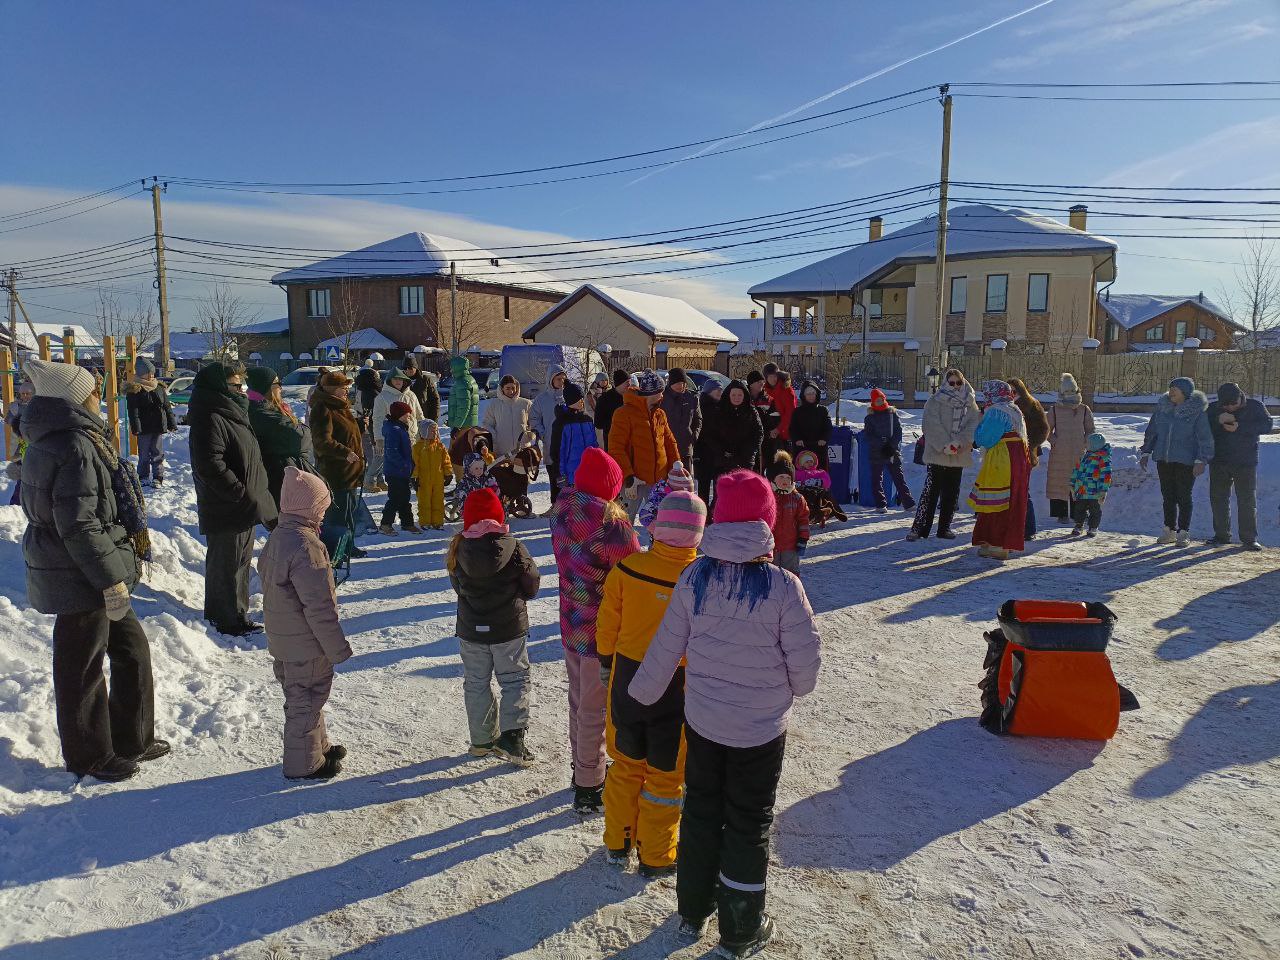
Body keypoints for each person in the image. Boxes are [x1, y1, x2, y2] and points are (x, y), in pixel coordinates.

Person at [629, 468, 820, 957]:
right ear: (766, 523)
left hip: (706, 724)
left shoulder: (696, 576)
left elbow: (666, 645)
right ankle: (739, 928)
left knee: (700, 811)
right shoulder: (783, 586)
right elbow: (805, 667)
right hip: (759, 733)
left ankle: (692, 908)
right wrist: (793, 690)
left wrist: (640, 695)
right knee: (748, 822)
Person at [19, 358, 168, 783]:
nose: (97, 396)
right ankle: (89, 755)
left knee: (131, 650)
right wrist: (108, 579)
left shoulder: (69, 436)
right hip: (80, 571)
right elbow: (79, 522)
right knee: (81, 665)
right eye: (91, 390)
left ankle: (131, 738)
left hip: (88, 565)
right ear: (75, 397)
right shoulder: (72, 444)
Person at [596, 490, 706, 878]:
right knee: (665, 775)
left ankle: (617, 841)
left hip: (628, 678)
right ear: (699, 535)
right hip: (679, 686)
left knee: (625, 764)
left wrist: (607, 663)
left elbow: (607, 624)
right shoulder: (703, 578)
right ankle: (657, 854)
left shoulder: (628, 569)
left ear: (656, 526)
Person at [549, 447, 640, 815]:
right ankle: (590, 783)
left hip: (571, 620)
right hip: (602, 629)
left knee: (579, 700)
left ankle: (582, 765)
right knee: (595, 709)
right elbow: (633, 573)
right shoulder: (612, 525)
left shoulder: (561, 509)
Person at [257, 466, 351, 780]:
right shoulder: (307, 547)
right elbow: (319, 607)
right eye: (321, 509)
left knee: (305, 699)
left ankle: (318, 748)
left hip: (284, 641)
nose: (323, 516)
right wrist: (337, 648)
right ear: (308, 509)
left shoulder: (278, 538)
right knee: (306, 701)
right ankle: (304, 765)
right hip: (307, 644)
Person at [448, 487, 541, 765]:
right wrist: (516, 599)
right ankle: (512, 740)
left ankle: (482, 740)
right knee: (514, 680)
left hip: (471, 629)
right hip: (508, 629)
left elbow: (458, 587)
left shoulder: (458, 547)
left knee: (476, 683)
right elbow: (532, 584)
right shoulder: (513, 546)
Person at [188, 361, 278, 636]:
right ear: (219, 386)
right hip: (226, 504)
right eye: (236, 385)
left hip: (244, 502)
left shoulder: (231, 411)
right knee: (225, 565)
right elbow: (210, 464)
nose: (242, 390)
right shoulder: (211, 415)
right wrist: (238, 491)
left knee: (240, 563)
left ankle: (237, 613)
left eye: (243, 385)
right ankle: (223, 618)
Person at [1140, 376, 1213, 546]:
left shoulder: (1197, 412)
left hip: (1186, 460)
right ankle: (1169, 530)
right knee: (1168, 496)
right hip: (1164, 459)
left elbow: (1205, 438)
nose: (1171, 391)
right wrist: (1145, 453)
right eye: (1170, 388)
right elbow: (1152, 432)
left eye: (1176, 389)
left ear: (1185, 392)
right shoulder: (1162, 409)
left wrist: (1201, 460)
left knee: (1184, 496)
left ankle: (1183, 532)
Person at [909, 367, 980, 542]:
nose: (955, 386)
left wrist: (959, 443)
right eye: (952, 382)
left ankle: (944, 527)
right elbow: (930, 425)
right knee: (930, 491)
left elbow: (973, 425)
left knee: (952, 492)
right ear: (945, 383)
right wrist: (944, 445)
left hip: (958, 454)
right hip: (937, 453)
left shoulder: (970, 402)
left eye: (958, 382)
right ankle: (919, 528)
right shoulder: (935, 401)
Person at [968, 380, 1030, 561]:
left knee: (996, 500)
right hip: (1017, 457)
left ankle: (996, 544)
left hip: (1002, 458)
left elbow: (986, 438)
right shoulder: (1013, 408)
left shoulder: (996, 411)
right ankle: (997, 542)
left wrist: (975, 437)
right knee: (1010, 499)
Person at [1206, 382, 1272, 550]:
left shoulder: (1255, 406)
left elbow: (1267, 425)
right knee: (1218, 499)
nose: (1229, 408)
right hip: (1219, 460)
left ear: (1240, 397)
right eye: (1225, 405)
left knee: (1246, 500)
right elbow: (1202, 428)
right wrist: (1217, 420)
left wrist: (1239, 426)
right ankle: (1221, 535)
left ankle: (1249, 538)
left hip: (1245, 461)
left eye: (1232, 404)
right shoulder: (1214, 408)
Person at [310, 370, 368, 560]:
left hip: (349, 472)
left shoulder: (340, 406)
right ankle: (335, 551)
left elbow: (345, 433)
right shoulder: (323, 408)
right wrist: (345, 452)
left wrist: (359, 425)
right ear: (333, 390)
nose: (347, 391)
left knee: (348, 513)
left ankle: (347, 545)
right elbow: (322, 442)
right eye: (344, 388)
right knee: (337, 516)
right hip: (336, 473)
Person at [609, 369, 681, 521]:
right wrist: (629, 478)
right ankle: (623, 545)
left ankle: (656, 545)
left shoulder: (660, 414)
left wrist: (676, 464)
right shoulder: (623, 414)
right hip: (634, 482)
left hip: (658, 481)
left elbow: (669, 442)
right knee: (623, 523)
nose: (662, 395)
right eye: (660, 391)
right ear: (652, 393)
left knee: (659, 523)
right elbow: (616, 448)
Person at [246, 366, 306, 509]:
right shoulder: (262, 414)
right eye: (277, 383)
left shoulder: (271, 409)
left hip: (283, 478)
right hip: (278, 480)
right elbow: (300, 439)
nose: (281, 388)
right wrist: (302, 429)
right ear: (265, 387)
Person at [1045, 373, 1094, 524]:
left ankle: (1077, 514)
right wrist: (1055, 441)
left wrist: (1085, 443)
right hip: (1059, 454)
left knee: (1078, 484)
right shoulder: (1054, 410)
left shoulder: (1084, 409)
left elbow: (1090, 430)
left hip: (1079, 454)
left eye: (1072, 391)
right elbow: (1046, 430)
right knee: (1058, 483)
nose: (1069, 395)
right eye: (1067, 392)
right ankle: (1061, 514)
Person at [125, 357, 176, 488]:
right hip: (144, 427)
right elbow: (133, 411)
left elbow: (167, 407)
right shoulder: (135, 389)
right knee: (144, 453)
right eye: (149, 373)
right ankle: (143, 476)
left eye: (153, 372)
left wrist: (171, 423)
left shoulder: (158, 387)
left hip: (158, 425)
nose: (152, 375)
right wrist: (136, 426)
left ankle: (158, 477)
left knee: (157, 452)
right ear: (142, 373)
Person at [1008, 378, 1049, 540]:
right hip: (1007, 454)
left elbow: (1043, 429)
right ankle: (1015, 525)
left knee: (1023, 491)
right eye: (1008, 390)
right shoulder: (1005, 405)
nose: (1011, 393)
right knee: (1011, 490)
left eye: (1014, 390)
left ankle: (1029, 528)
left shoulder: (1032, 403)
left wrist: (1027, 444)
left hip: (1025, 454)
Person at [862, 388, 915, 514]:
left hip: (892, 452)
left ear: (884, 399)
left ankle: (908, 503)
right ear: (873, 402)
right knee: (876, 479)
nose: (879, 402)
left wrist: (891, 446)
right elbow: (869, 435)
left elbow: (898, 431)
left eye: (881, 399)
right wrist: (882, 444)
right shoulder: (870, 417)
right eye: (877, 400)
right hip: (876, 452)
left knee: (899, 478)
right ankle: (880, 504)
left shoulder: (892, 414)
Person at [379, 400, 420, 535]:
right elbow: (392, 452)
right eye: (407, 414)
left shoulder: (401, 428)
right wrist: (404, 465)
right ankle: (385, 524)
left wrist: (410, 465)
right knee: (396, 498)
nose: (409, 416)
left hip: (402, 471)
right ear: (400, 415)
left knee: (405, 497)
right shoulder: (394, 430)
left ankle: (407, 523)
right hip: (395, 471)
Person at [714, 379, 765, 485]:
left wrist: (748, 451)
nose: (736, 398)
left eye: (739, 395)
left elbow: (758, 433)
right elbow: (712, 434)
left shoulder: (751, 411)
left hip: (745, 459)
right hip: (724, 460)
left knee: (744, 491)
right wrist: (722, 451)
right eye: (733, 395)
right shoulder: (720, 410)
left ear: (745, 395)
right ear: (728, 395)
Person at [550, 382, 598, 491]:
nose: (582, 401)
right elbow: (557, 451)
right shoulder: (561, 423)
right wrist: (560, 475)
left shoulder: (587, 419)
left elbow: (594, 445)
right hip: (570, 474)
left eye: (582, 398)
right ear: (570, 401)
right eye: (578, 398)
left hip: (589, 471)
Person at [767, 451, 809, 573]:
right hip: (770, 546)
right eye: (781, 477)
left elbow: (803, 519)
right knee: (771, 574)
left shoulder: (797, 499)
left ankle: (791, 592)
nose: (785, 480)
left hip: (790, 546)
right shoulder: (767, 497)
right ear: (772, 479)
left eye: (788, 477)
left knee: (790, 574)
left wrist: (803, 539)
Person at [530, 364, 566, 503]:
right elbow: (534, 418)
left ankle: (568, 505)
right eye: (558, 379)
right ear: (551, 379)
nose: (561, 382)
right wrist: (543, 433)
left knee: (568, 477)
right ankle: (554, 505)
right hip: (551, 444)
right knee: (554, 476)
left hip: (568, 444)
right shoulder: (541, 399)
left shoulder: (569, 396)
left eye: (563, 378)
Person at [1068, 433, 1112, 538]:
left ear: (1095, 445)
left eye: (1088, 443)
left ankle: (1093, 527)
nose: (1086, 445)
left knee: (1095, 510)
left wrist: (1103, 490)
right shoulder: (1085, 456)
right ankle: (1079, 525)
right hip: (1082, 489)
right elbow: (1077, 470)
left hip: (1095, 491)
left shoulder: (1103, 459)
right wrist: (1072, 483)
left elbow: (1106, 476)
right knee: (1079, 509)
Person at [412, 419, 452, 530]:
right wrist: (414, 477)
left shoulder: (440, 446)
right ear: (423, 432)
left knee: (438, 501)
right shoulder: (418, 448)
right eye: (431, 431)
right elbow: (415, 464)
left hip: (438, 480)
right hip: (423, 481)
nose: (434, 433)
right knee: (424, 502)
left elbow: (446, 461)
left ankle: (438, 521)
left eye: (435, 431)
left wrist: (448, 473)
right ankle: (425, 522)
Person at [636, 460, 695, 532]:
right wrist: (657, 528)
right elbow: (644, 515)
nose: (686, 496)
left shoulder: (686, 500)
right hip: (661, 536)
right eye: (684, 493)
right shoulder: (659, 499)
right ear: (674, 490)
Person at [661, 368, 702, 470]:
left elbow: (698, 419)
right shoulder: (662, 398)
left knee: (685, 482)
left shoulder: (692, 398)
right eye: (678, 383)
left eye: (684, 383)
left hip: (686, 449)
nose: (682, 386)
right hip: (666, 449)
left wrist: (694, 435)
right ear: (671, 383)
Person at [483, 374, 533, 458]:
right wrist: (495, 438)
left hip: (523, 449)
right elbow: (487, 424)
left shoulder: (526, 403)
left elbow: (534, 421)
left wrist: (530, 435)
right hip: (501, 450)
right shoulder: (494, 405)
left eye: (513, 388)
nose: (511, 391)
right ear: (502, 388)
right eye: (508, 388)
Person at [353, 365, 385, 493]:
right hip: (368, 427)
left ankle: (379, 480)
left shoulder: (362, 389)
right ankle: (370, 481)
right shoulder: (369, 392)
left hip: (368, 426)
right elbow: (369, 411)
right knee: (374, 456)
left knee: (377, 455)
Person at [789, 380, 831, 469]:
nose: (811, 396)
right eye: (808, 394)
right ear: (804, 395)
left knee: (820, 475)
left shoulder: (823, 410)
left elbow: (828, 427)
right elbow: (793, 428)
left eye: (813, 393)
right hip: (801, 448)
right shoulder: (797, 411)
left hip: (819, 447)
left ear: (817, 394)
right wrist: (797, 439)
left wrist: (824, 439)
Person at [693, 380, 723, 504]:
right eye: (717, 390)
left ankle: (713, 509)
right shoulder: (703, 405)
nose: (720, 393)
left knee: (717, 484)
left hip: (716, 452)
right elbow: (704, 430)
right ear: (710, 391)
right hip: (704, 451)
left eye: (721, 390)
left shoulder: (720, 406)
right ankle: (704, 511)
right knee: (704, 485)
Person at [5, 379, 33, 505]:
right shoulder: (16, 407)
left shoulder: (38, 406)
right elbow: (9, 421)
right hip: (22, 447)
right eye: (23, 394)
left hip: (34, 446)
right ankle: (15, 504)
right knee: (22, 477)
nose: (25, 396)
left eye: (28, 393)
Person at [747, 371, 781, 468]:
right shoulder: (744, 398)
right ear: (751, 384)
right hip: (749, 438)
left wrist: (775, 429)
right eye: (758, 381)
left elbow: (776, 417)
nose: (762, 383)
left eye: (762, 381)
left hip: (767, 439)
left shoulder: (769, 400)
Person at [594, 369, 630, 449]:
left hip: (629, 441)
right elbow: (598, 423)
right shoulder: (605, 399)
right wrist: (615, 423)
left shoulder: (631, 397)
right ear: (619, 384)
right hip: (612, 441)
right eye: (627, 382)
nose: (629, 385)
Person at [762, 363, 797, 443]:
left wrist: (778, 429)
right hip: (769, 432)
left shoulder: (786, 389)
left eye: (775, 376)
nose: (773, 379)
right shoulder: (764, 390)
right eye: (770, 376)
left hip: (785, 432)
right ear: (766, 378)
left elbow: (790, 412)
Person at [402, 354, 441, 422]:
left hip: (423, 419)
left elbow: (435, 400)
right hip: (406, 420)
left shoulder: (425, 380)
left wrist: (433, 420)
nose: (408, 370)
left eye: (410, 367)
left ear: (415, 367)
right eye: (405, 368)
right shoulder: (400, 381)